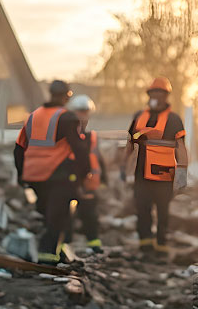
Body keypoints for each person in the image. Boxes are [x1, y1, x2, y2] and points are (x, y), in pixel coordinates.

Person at [14, 80, 89, 264]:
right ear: (66, 96)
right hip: (56, 175)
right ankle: (48, 260)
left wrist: (21, 175)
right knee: (58, 218)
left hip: (34, 176)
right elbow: (78, 148)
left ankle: (57, 252)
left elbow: (18, 149)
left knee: (49, 215)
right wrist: (84, 172)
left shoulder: (32, 116)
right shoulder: (67, 117)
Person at [121, 77, 189, 254]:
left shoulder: (174, 119)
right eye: (154, 93)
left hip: (164, 175)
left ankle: (161, 245)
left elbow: (180, 146)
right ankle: (145, 245)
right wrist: (124, 166)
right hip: (141, 174)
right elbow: (130, 142)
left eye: (160, 93)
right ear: (149, 95)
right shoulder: (139, 117)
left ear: (166, 96)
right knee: (142, 209)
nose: (157, 96)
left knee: (163, 211)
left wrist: (182, 171)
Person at [68, 94, 106, 253]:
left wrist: (104, 178)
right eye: (80, 112)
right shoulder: (67, 134)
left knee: (90, 216)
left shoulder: (91, 137)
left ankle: (94, 245)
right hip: (70, 183)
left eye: (85, 112)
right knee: (66, 217)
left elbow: (98, 158)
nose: (83, 116)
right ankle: (64, 245)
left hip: (88, 184)